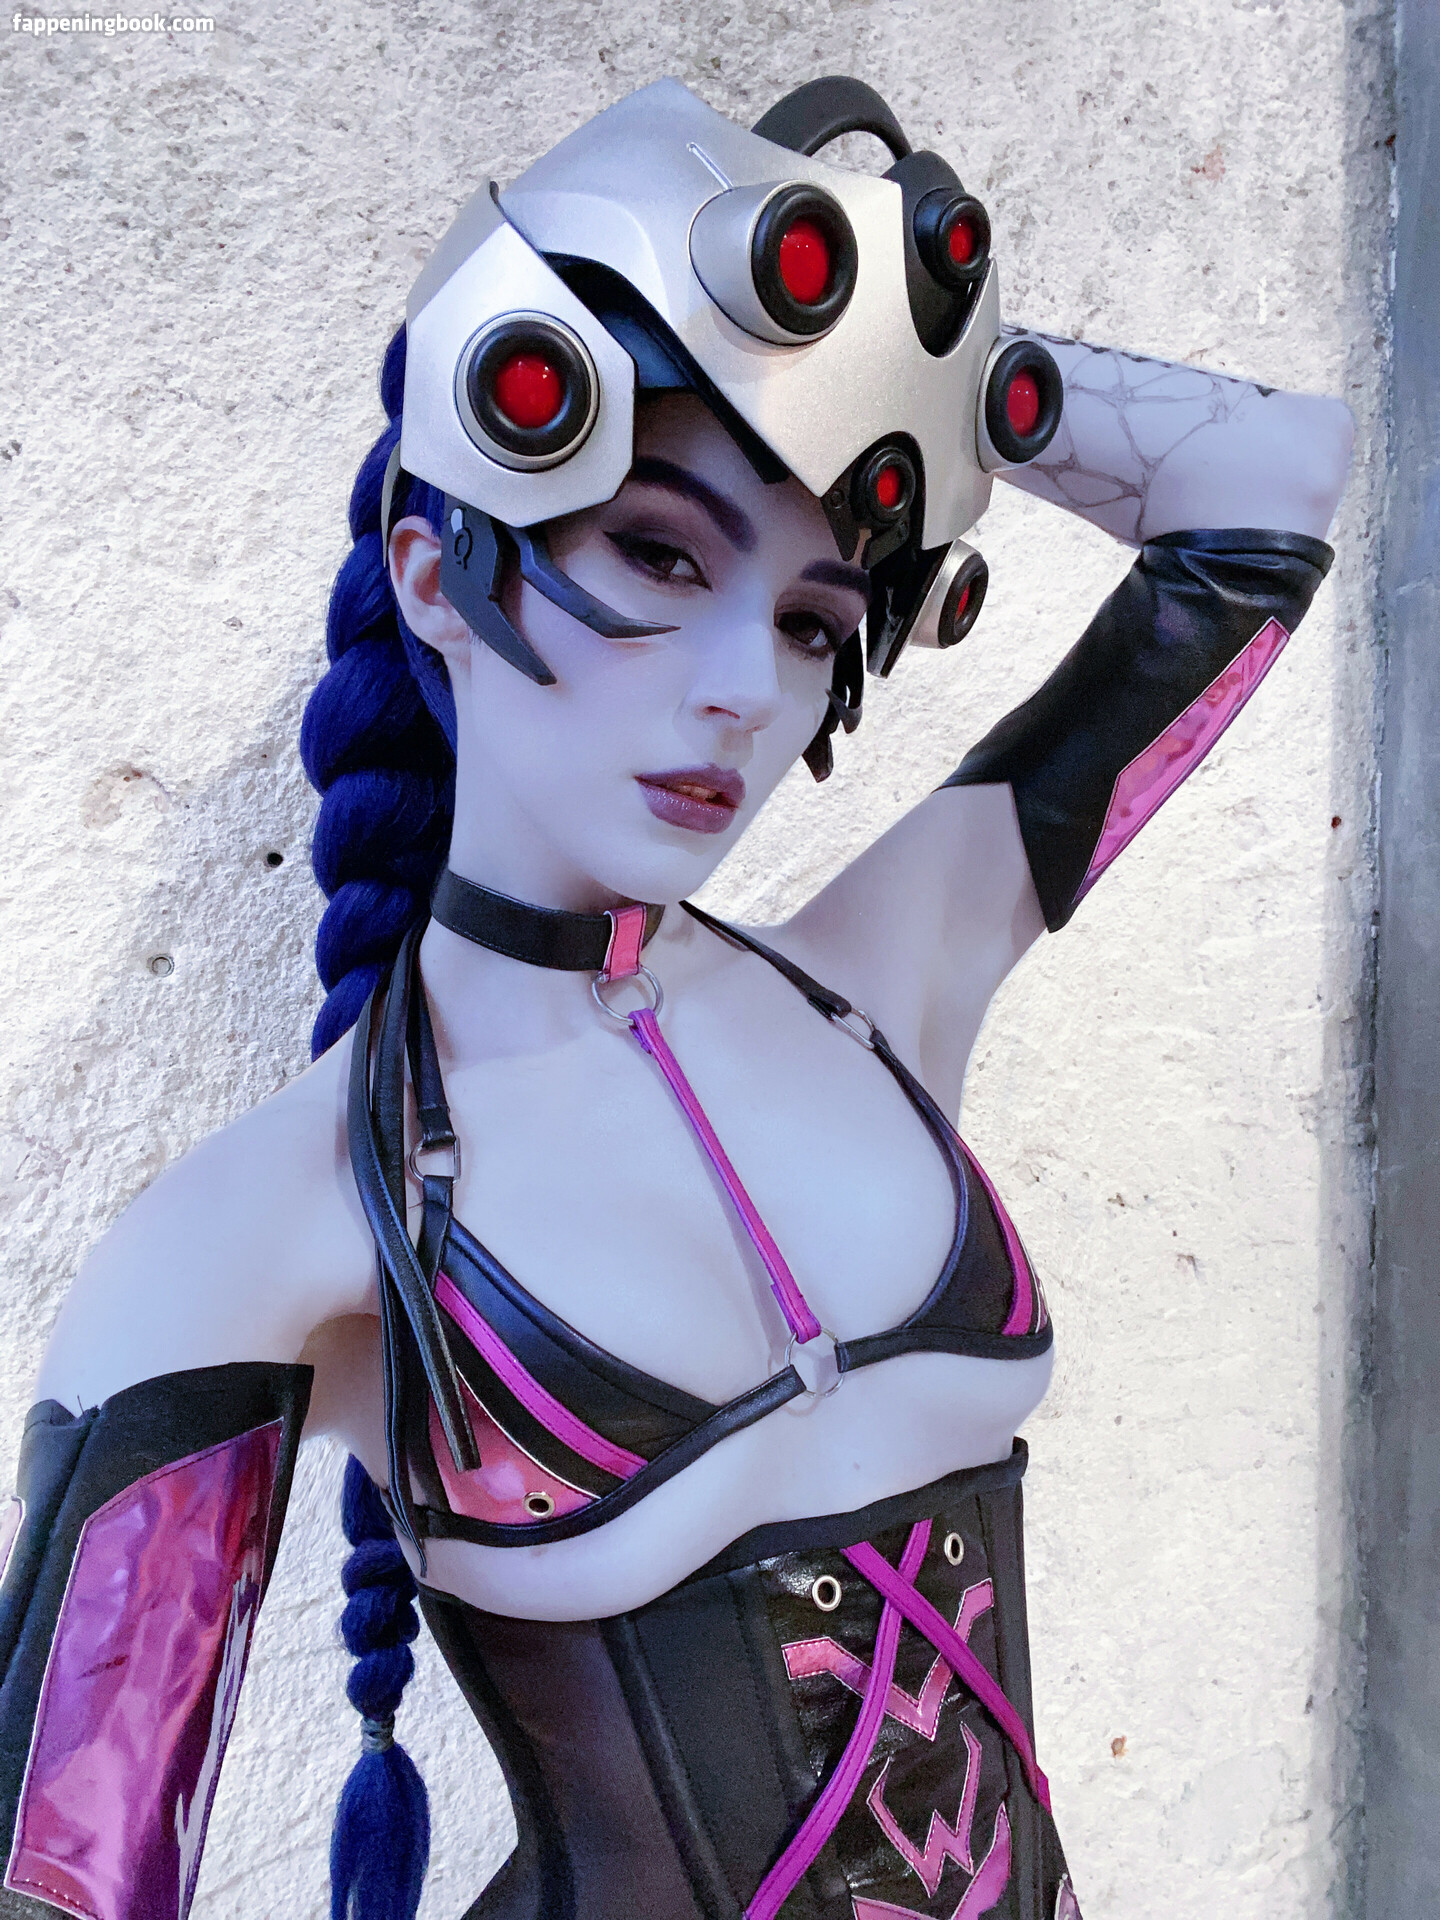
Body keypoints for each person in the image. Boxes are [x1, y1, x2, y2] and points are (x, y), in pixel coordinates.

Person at [0, 75, 1351, 1920]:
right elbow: (64, 1878)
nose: (745, 688)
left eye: (811, 618)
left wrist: (914, 358)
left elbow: (1265, 483)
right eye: (658, 552)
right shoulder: (264, 1228)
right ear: (437, 572)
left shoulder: (885, 984)